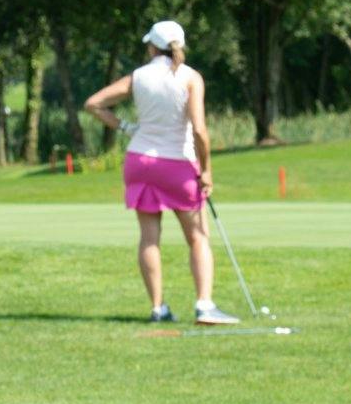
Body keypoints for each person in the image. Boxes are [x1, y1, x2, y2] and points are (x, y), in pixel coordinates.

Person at [81, 22, 237, 325]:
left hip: (140, 161)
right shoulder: (191, 77)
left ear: (152, 47)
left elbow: (94, 104)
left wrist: (127, 128)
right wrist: (206, 170)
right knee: (197, 236)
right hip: (177, 163)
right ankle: (204, 305)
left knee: (149, 238)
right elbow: (200, 132)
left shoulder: (138, 76)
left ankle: (157, 308)